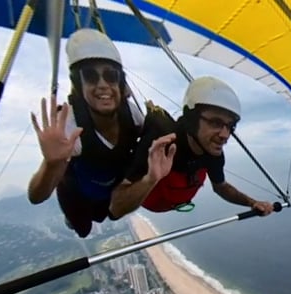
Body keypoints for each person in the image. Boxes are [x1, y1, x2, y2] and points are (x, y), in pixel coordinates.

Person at [27, 28, 175, 238]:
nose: (102, 85)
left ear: (120, 83)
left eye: (110, 76)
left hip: (108, 190)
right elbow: (36, 196)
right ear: (79, 85)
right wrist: (51, 164)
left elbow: (152, 136)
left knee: (109, 214)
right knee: (83, 230)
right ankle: (72, 220)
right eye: (90, 76)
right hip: (77, 194)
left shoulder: (131, 114)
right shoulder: (71, 127)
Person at [109, 76, 274, 218]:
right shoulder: (161, 143)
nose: (225, 134)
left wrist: (252, 203)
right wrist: (150, 179)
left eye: (230, 126)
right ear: (192, 120)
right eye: (216, 122)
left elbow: (221, 187)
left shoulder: (213, 152)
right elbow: (115, 208)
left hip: (174, 200)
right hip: (150, 199)